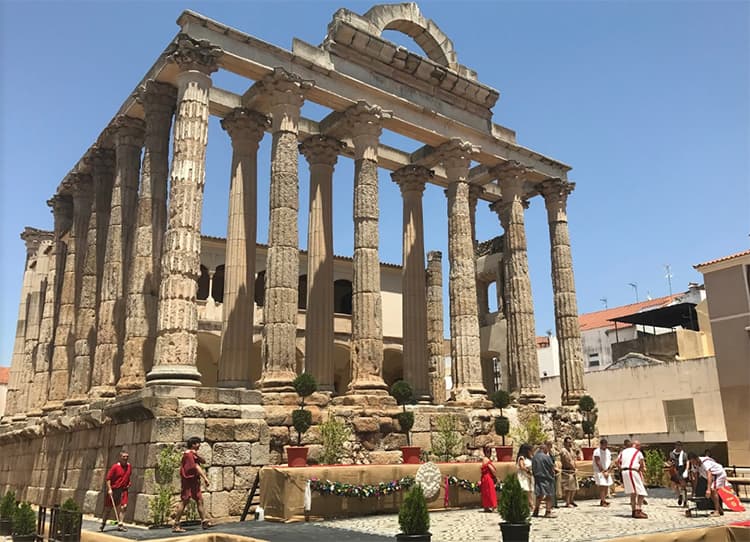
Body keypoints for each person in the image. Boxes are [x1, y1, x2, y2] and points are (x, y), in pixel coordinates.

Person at [173, 437, 212, 532]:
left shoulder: (192, 454)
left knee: (199, 500)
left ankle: (204, 521)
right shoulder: (188, 455)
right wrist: (205, 478)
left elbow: (203, 461)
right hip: (188, 481)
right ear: (193, 444)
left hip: (194, 481)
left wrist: (197, 455)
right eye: (198, 443)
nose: (199, 445)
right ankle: (176, 524)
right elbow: (196, 467)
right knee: (184, 501)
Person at [688, 451, 728, 517]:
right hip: (712, 476)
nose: (693, 463)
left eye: (693, 461)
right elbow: (695, 478)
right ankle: (719, 510)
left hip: (718, 475)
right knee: (712, 493)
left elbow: (709, 475)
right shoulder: (694, 465)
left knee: (712, 490)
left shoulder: (705, 463)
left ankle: (717, 511)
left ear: (696, 459)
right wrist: (694, 491)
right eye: (691, 462)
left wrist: (708, 489)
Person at [100, 451, 131, 532]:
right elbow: (108, 479)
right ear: (120, 457)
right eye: (124, 456)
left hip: (123, 490)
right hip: (114, 490)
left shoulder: (129, 466)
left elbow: (128, 476)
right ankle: (103, 523)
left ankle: (120, 524)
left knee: (123, 507)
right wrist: (109, 489)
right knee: (108, 508)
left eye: (127, 456)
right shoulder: (115, 467)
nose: (125, 458)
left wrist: (129, 483)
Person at [620, 439, 648, 518]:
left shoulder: (623, 451)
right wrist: (642, 470)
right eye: (639, 446)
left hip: (625, 472)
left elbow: (617, 462)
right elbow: (642, 464)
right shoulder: (637, 452)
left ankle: (633, 510)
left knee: (633, 493)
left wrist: (621, 469)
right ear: (636, 445)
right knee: (641, 492)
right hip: (632, 471)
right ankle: (638, 510)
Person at [531, 443, 556, 518]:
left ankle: (536, 511)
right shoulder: (546, 457)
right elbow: (551, 467)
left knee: (539, 495)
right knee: (549, 495)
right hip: (547, 478)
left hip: (538, 478)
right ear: (544, 449)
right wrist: (553, 474)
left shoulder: (534, 457)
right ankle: (548, 511)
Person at [592, 438, 613, 507]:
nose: (605, 446)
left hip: (606, 471)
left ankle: (604, 500)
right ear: (601, 444)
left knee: (606, 486)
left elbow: (609, 461)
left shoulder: (608, 451)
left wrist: (608, 470)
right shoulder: (597, 451)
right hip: (599, 471)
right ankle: (602, 500)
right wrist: (603, 471)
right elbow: (597, 462)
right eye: (604, 445)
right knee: (602, 486)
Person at [559, 437, 578, 508]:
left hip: (572, 470)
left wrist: (575, 467)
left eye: (570, 442)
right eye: (568, 442)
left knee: (573, 487)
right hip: (567, 470)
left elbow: (573, 459)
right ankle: (567, 502)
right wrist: (573, 467)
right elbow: (566, 461)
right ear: (565, 443)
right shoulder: (563, 451)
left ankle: (571, 500)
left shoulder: (571, 450)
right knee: (568, 488)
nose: (570, 443)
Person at [669, 441, 688, 506]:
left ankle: (685, 500)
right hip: (674, 471)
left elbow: (687, 462)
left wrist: (686, 470)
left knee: (683, 486)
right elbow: (670, 461)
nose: (678, 447)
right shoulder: (672, 454)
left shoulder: (684, 454)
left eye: (680, 446)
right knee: (675, 485)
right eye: (677, 445)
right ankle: (679, 495)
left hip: (682, 470)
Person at [516, 443, 535, 508]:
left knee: (530, 490)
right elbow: (522, 466)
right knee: (526, 490)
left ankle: (530, 504)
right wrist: (528, 470)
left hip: (529, 476)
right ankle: (531, 505)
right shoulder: (522, 458)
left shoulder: (529, 458)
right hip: (524, 476)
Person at [480, 447, 498, 512]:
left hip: (484, 478)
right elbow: (492, 469)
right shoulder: (486, 459)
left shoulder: (484, 459)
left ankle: (486, 507)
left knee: (486, 492)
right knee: (491, 491)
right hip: (488, 478)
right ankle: (494, 507)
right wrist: (495, 476)